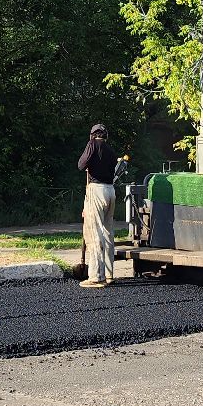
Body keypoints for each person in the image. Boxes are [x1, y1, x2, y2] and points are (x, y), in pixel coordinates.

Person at [77, 123, 120, 288]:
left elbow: (81, 165)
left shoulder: (92, 144)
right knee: (108, 233)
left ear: (92, 135)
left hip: (96, 190)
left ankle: (96, 276)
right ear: (106, 136)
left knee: (94, 233)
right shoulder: (110, 150)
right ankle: (109, 274)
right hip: (111, 192)